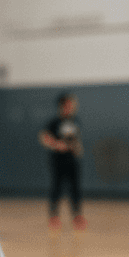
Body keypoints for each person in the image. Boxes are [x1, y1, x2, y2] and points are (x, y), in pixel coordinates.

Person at [38, 92, 85, 230]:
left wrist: (78, 149)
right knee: (56, 188)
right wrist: (56, 144)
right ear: (63, 105)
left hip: (73, 161)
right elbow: (43, 136)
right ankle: (54, 216)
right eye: (70, 103)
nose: (73, 106)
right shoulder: (55, 122)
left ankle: (77, 216)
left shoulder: (76, 121)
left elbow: (76, 140)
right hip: (58, 161)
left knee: (75, 189)